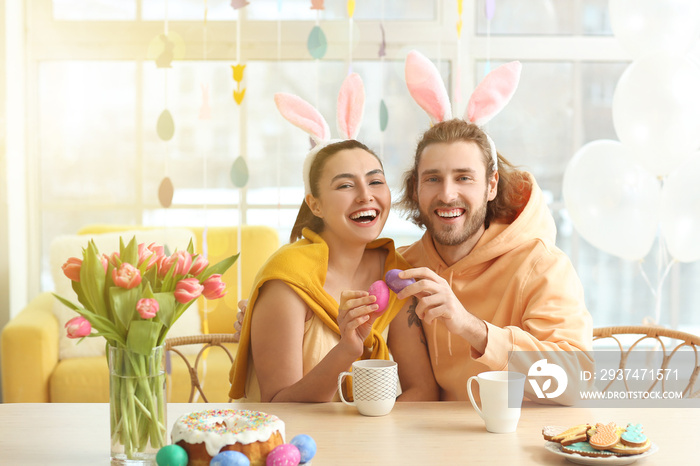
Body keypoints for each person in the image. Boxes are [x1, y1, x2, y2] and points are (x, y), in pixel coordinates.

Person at [229, 75, 438, 403]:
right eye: (345, 185)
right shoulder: (287, 280)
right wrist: (348, 349)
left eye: (375, 181)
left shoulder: (394, 274)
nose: (365, 196)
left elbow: (422, 390)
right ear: (315, 204)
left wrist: (377, 436)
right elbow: (278, 404)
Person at [391, 118, 593, 402]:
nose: (447, 194)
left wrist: (471, 328)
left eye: (464, 177)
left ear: (491, 185)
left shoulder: (542, 265)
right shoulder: (404, 269)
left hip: (522, 441)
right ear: (415, 189)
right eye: (433, 179)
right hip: (438, 440)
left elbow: (576, 381)